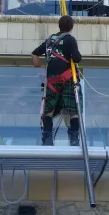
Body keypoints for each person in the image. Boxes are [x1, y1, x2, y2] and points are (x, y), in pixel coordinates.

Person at [32, 15, 82, 147]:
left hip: (51, 80)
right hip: (68, 79)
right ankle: (74, 138)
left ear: (59, 26)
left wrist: (40, 73)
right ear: (71, 27)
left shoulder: (50, 40)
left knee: (49, 109)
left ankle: (48, 137)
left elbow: (35, 54)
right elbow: (76, 58)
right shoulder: (70, 39)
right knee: (73, 110)